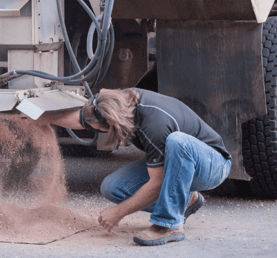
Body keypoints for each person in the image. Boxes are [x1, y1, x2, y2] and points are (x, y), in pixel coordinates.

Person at [38, 88, 232, 246]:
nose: (96, 131)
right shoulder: (119, 102)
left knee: (177, 141)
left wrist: (118, 213)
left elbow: (157, 183)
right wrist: (38, 117)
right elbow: (81, 119)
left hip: (212, 165)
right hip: (178, 163)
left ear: (112, 123)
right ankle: (187, 200)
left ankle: (169, 225)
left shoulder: (154, 124)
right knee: (112, 187)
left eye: (99, 130)